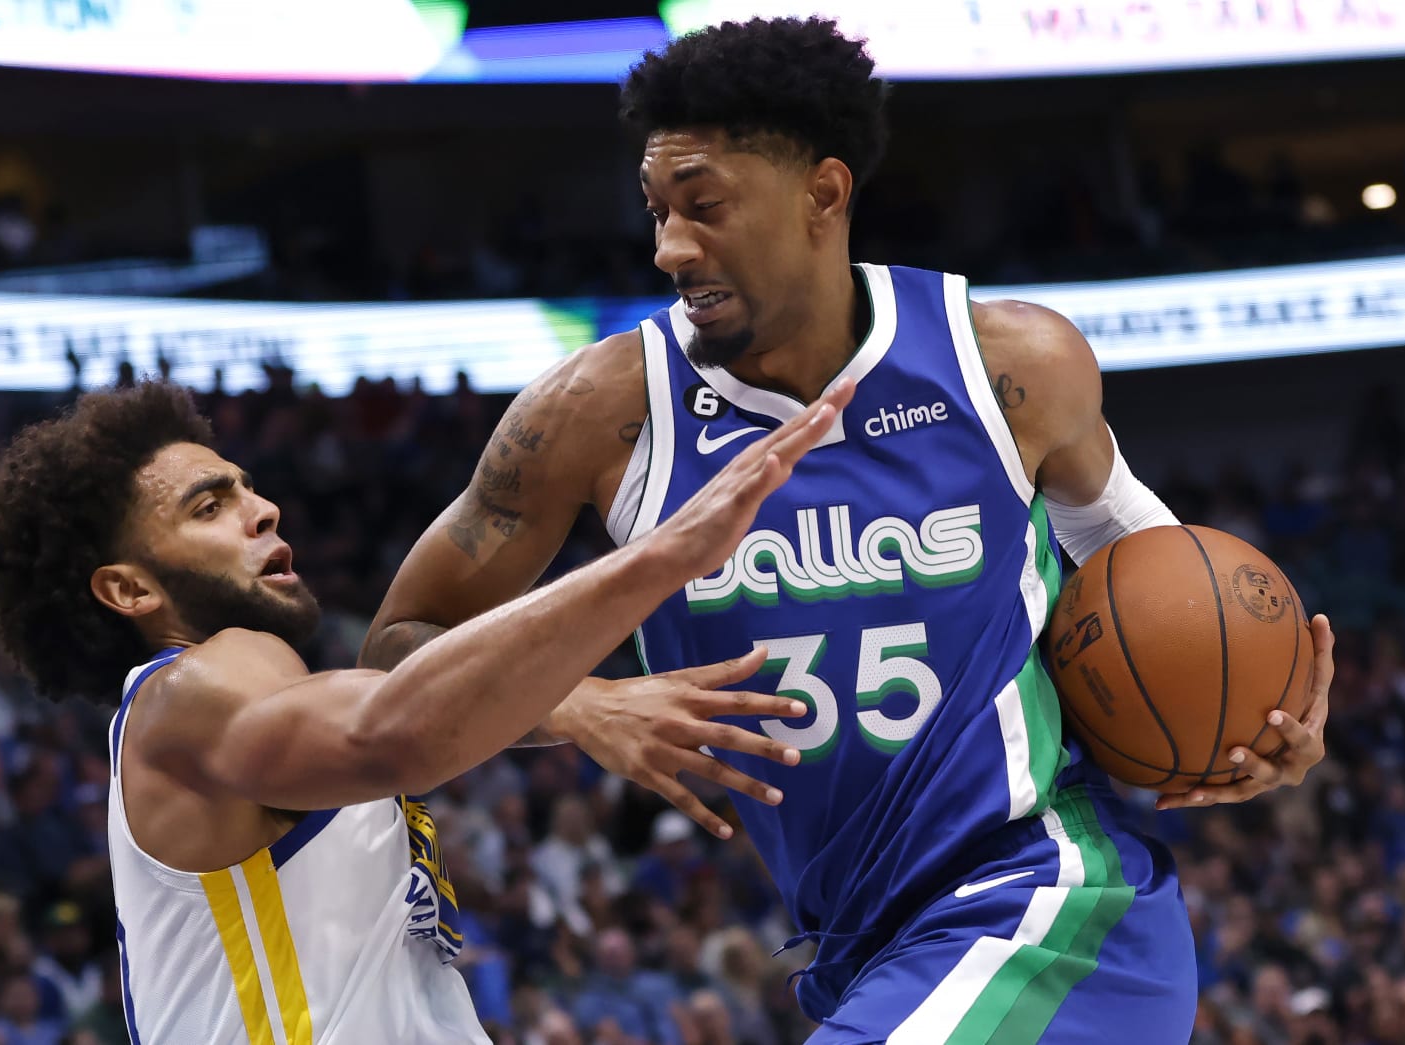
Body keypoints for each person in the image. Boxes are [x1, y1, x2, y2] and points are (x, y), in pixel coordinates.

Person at [364, 17, 1335, 1043]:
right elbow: (396, 657)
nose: (669, 247)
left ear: (824, 193)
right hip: (865, 951)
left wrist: (1250, 726)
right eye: (656, 211)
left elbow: (1163, 585)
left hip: (1050, 909)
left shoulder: (1008, 367)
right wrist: (575, 703)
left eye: (705, 207)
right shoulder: (598, 414)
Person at [0, 378, 849, 1044]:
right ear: (128, 587)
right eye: (210, 504)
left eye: (243, 485)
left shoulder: (253, 706)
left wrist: (576, 701)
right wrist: (665, 556)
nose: (261, 506)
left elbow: (397, 694)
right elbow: (392, 726)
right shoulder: (189, 692)